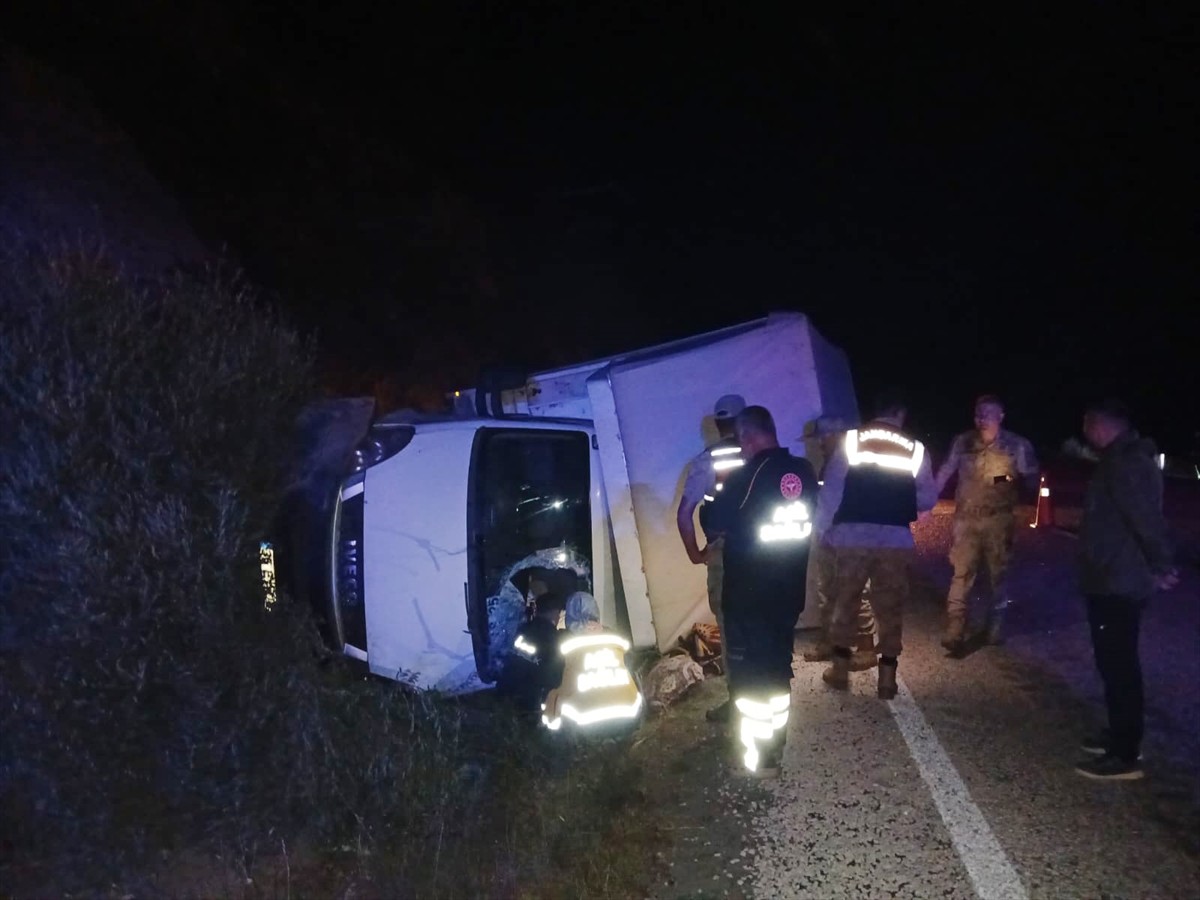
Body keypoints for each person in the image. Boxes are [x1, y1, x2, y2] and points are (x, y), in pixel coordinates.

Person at [706, 405, 817, 776]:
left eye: (740, 440)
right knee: (776, 668)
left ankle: (759, 758)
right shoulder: (803, 472)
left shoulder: (746, 476)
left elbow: (714, 520)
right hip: (788, 593)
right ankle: (776, 745)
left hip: (749, 598)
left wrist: (712, 499)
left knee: (752, 678)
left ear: (747, 438)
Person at [1075, 399, 1178, 780]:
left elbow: (1145, 519)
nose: (1086, 432)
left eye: (1088, 425)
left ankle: (1124, 753)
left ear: (1100, 424)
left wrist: (1162, 564)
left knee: (1120, 666)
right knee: (1112, 662)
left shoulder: (1127, 462)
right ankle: (1118, 735)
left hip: (1118, 580)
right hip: (1109, 577)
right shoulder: (1119, 458)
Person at [815, 390, 937, 700]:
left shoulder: (851, 441)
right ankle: (887, 679)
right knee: (890, 606)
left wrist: (823, 530)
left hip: (852, 536)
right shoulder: (916, 449)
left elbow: (832, 492)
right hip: (895, 539)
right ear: (901, 415)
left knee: (846, 600)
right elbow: (927, 498)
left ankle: (840, 671)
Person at [935, 395, 1040, 650]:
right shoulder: (963, 442)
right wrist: (927, 499)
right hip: (966, 519)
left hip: (999, 520)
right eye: (978, 414)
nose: (982, 419)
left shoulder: (1017, 446)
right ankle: (956, 627)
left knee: (998, 576)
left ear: (1001, 416)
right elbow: (945, 471)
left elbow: (1030, 479)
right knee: (961, 573)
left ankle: (995, 625)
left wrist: (1002, 481)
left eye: (988, 414)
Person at [676, 393, 746, 721]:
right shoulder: (761, 454)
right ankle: (772, 686)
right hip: (765, 552)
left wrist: (695, 553)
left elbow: (684, 513)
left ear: (718, 425)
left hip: (725, 552)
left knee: (731, 625)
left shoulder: (708, 460)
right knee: (764, 618)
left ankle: (738, 702)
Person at [802, 414, 878, 671]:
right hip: (832, 538)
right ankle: (830, 642)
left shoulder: (848, 459)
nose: (820, 442)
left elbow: (835, 502)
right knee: (829, 592)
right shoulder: (832, 461)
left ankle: (867, 649)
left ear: (836, 434)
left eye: (823, 436)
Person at [541, 591, 643, 733]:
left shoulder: (564, 645)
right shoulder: (616, 639)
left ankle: (553, 740)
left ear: (569, 617)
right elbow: (633, 669)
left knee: (553, 695)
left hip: (587, 726)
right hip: (629, 717)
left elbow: (551, 677)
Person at [495, 591, 567, 715]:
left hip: (508, 694)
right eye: (559, 614)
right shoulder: (553, 638)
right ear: (554, 613)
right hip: (532, 704)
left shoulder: (522, 630)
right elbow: (555, 677)